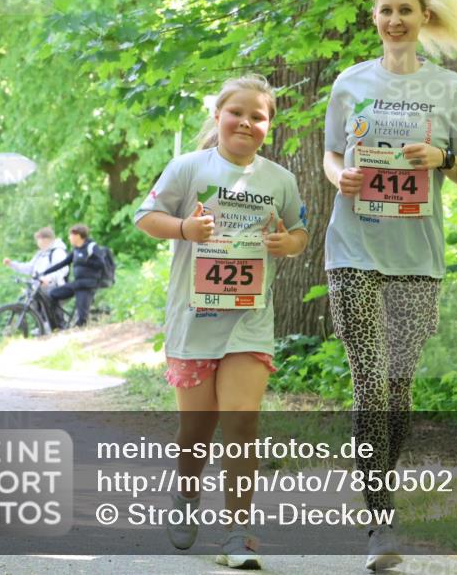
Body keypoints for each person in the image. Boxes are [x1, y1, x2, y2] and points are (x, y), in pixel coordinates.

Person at [322, 0, 457, 571]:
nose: (395, 20)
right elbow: (332, 151)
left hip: (418, 255)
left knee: (398, 385)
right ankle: (380, 517)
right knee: (368, 378)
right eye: (385, 10)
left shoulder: (450, 89)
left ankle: (375, 486)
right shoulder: (349, 82)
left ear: (424, 17)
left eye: (405, 11)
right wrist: (338, 174)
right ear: (375, 18)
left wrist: (441, 157)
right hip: (354, 248)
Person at [134, 74, 308, 569]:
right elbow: (145, 217)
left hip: (248, 322)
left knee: (241, 421)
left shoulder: (279, 179)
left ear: (268, 126)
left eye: (259, 116)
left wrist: (286, 244)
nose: (247, 123)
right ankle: (187, 497)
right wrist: (186, 227)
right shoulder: (189, 168)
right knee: (197, 430)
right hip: (193, 320)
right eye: (238, 113)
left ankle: (237, 531)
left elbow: (299, 232)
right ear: (218, 116)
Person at [41, 224, 104, 328]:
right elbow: (63, 263)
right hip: (77, 283)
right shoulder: (76, 249)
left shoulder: (91, 246)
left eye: (71, 235)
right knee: (52, 295)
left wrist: (86, 261)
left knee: (82, 320)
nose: (69, 238)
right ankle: (59, 323)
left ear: (77, 235)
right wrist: (45, 272)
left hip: (87, 285)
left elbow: (101, 264)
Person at [3, 226, 68, 291]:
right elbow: (29, 268)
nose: (37, 242)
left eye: (38, 239)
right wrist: (12, 264)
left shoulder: (58, 252)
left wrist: (48, 279)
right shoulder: (40, 254)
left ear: (45, 239)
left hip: (53, 291)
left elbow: (62, 271)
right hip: (38, 291)